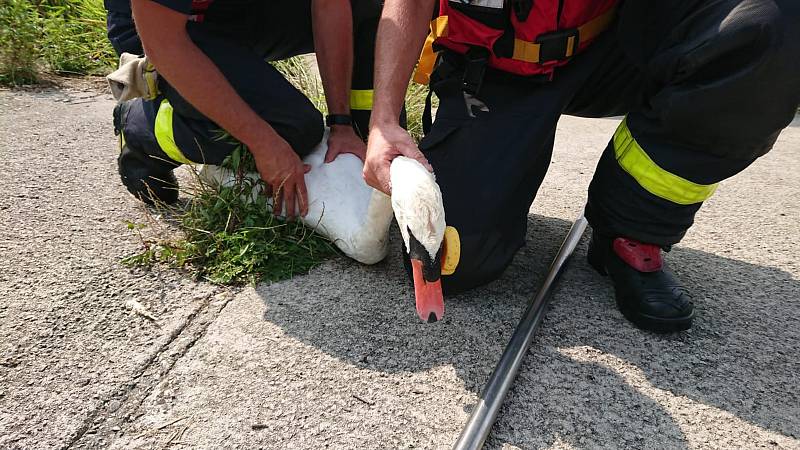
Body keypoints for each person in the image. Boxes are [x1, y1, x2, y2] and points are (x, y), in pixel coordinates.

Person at [363, 0, 800, 332]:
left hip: (619, 49)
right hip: (495, 69)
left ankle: (633, 230)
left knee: (769, 28)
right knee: (451, 259)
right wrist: (383, 120)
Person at [107, 0, 381, 219]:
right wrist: (263, 142)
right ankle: (143, 131)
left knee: (367, 7)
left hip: (238, 11)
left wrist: (341, 123)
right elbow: (165, 43)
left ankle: (364, 149)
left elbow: (330, 5)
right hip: (160, 27)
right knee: (292, 129)